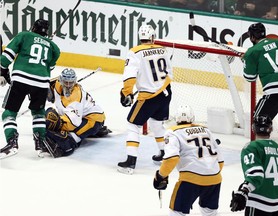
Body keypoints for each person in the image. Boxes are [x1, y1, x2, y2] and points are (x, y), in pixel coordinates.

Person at [0, 19, 60, 159]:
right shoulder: (53, 47)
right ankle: (40, 144)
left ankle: (12, 142)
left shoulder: (25, 35)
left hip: (21, 79)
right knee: (38, 113)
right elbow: (49, 67)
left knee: (9, 113)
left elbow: (6, 56)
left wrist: (3, 70)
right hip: (41, 83)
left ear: (33, 27)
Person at [117, 24, 173, 174]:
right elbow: (169, 72)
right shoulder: (163, 49)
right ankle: (164, 154)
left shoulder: (134, 52)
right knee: (157, 123)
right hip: (166, 92)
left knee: (133, 124)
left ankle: (130, 162)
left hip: (149, 96)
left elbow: (129, 76)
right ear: (152, 37)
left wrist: (126, 92)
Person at [153, 105, 224, 216]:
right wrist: (209, 173)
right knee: (209, 212)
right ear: (192, 118)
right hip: (214, 178)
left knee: (176, 212)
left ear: (176, 118)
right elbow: (220, 160)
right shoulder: (206, 130)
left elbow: (171, 158)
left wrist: (161, 175)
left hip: (191, 180)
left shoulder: (173, 132)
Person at [44, 68, 109, 157]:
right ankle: (92, 132)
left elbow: (73, 123)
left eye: (71, 82)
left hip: (93, 119)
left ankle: (69, 146)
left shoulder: (75, 97)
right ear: (61, 80)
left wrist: (58, 123)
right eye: (66, 82)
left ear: (75, 81)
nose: (68, 85)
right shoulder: (57, 83)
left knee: (73, 136)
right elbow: (46, 83)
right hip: (81, 115)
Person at [230, 115, 278, 215]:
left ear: (253, 128)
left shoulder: (251, 147)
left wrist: (243, 192)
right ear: (271, 129)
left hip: (260, 201)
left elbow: (256, 175)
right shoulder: (277, 147)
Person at [242, 23, 278, 130]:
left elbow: (250, 78)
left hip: (274, 93)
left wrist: (245, 62)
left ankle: (261, 146)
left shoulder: (252, 52)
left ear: (252, 37)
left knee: (258, 121)